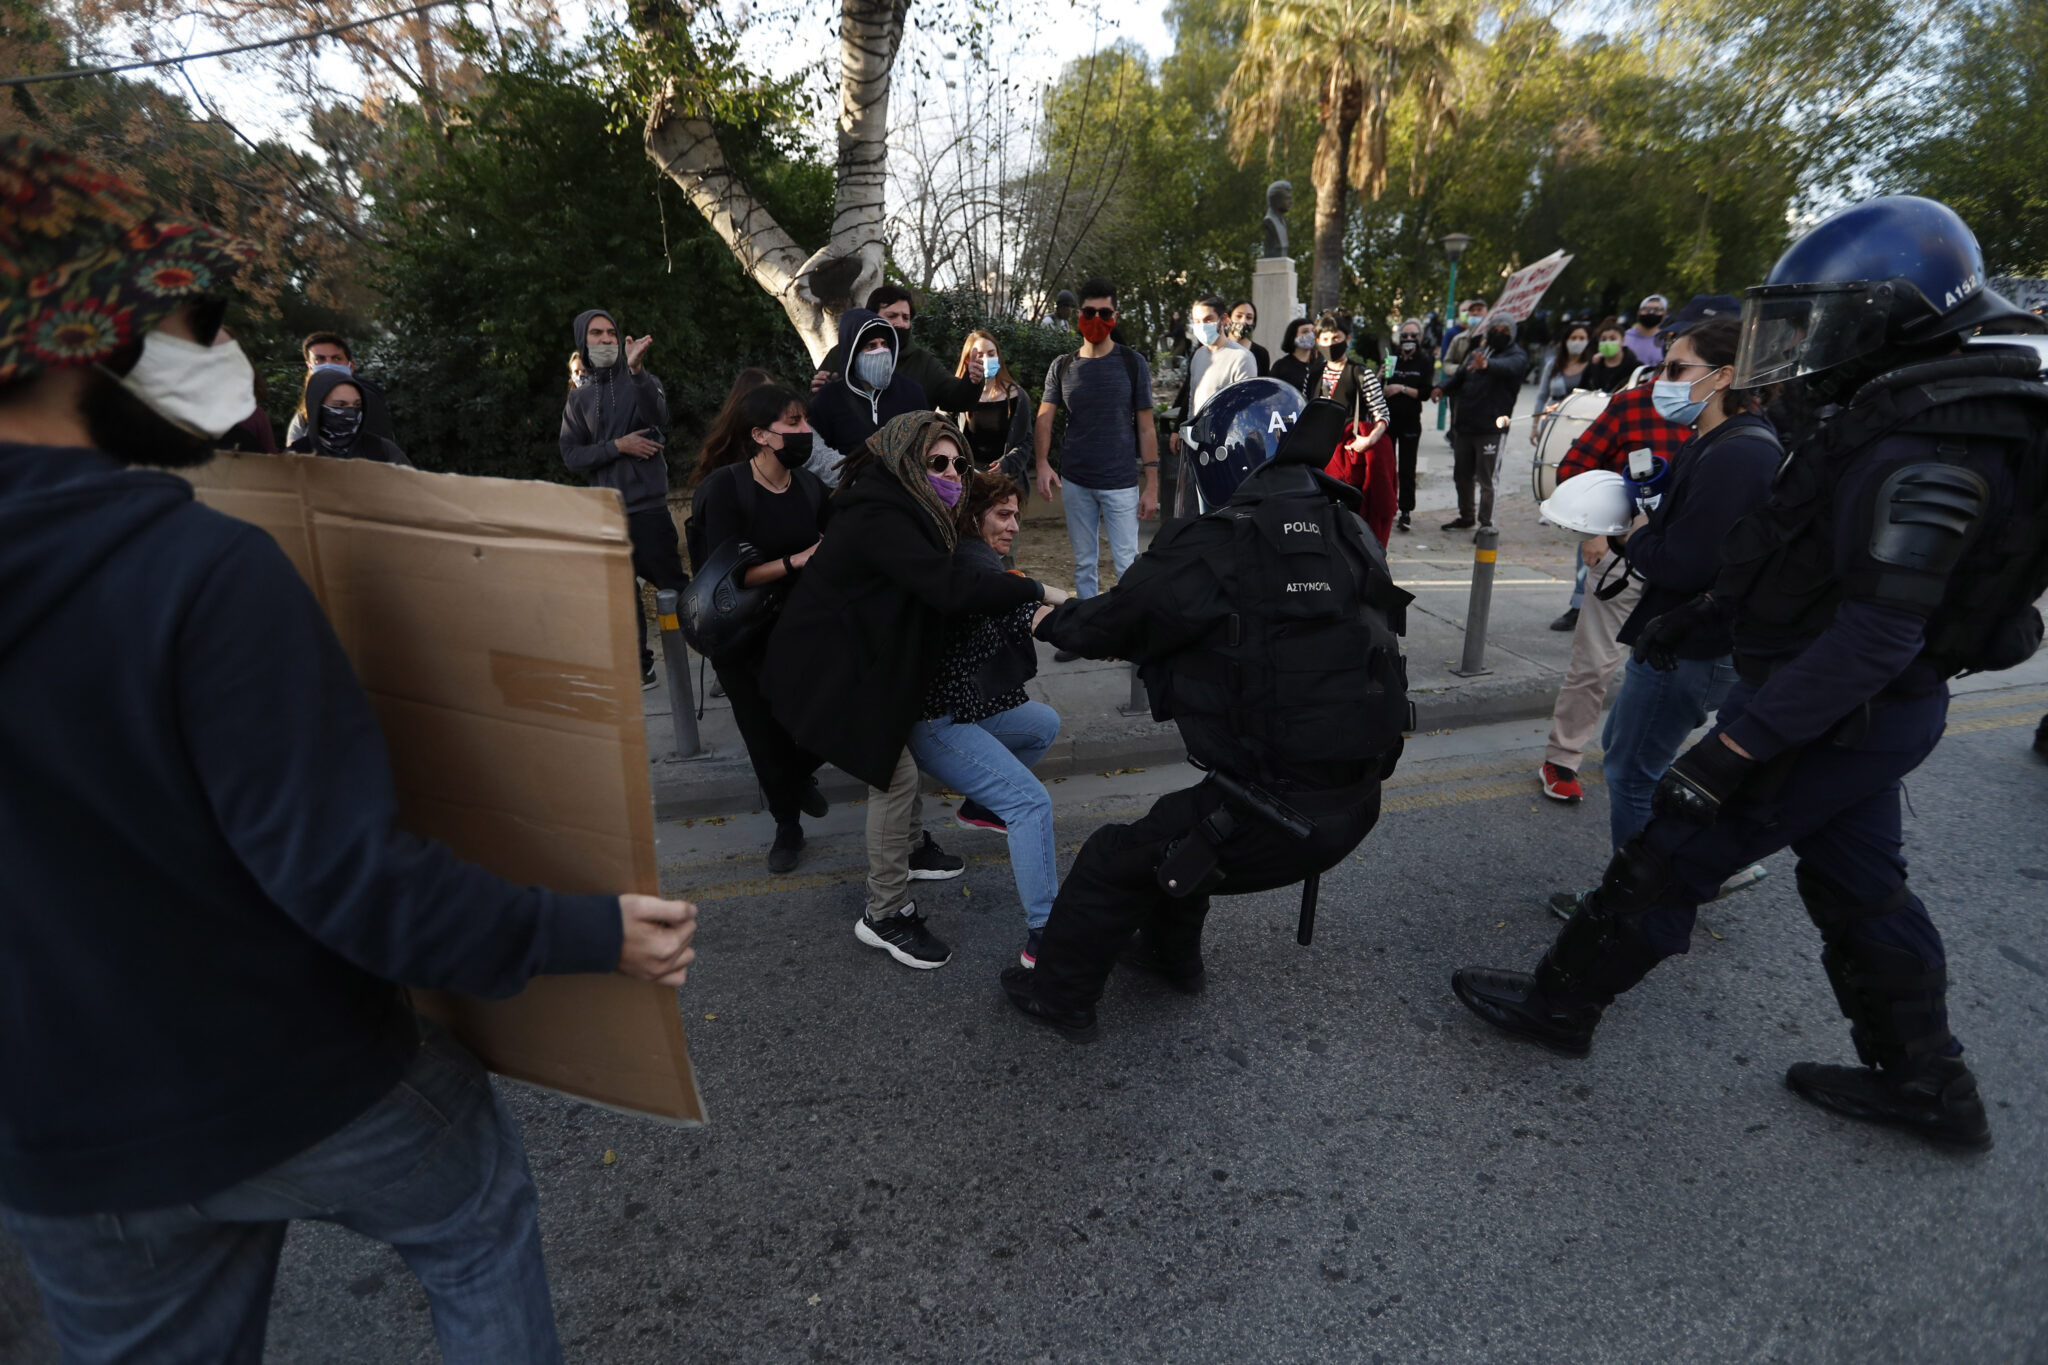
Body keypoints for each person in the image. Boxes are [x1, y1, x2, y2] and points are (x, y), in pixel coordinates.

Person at [0, 133, 698, 1363]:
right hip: (293, 1078)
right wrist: (588, 931)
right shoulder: (196, 571)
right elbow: (350, 887)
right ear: (81, 340)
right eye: (167, 328)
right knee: (475, 1223)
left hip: (60, 1150)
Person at [1455, 194, 2048, 1152]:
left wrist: (1736, 746)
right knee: (1862, 890)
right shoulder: (1920, 411)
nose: (1808, 343)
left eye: (1829, 318)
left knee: (1674, 854)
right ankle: (1930, 1087)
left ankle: (1559, 1006)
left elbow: (1878, 632)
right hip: (1856, 711)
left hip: (1837, 710)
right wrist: (1708, 615)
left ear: (1890, 314)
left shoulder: (1936, 441)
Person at [1001, 398, 1412, 1042]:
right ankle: (1173, 960)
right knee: (1186, 824)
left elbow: (1119, 619)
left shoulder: (1219, 544)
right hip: (1355, 801)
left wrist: (1048, 618)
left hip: (1280, 816)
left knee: (1113, 856)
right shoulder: (1349, 529)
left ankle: (1059, 997)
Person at [768, 412, 1058, 969]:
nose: (951, 474)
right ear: (907, 461)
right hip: (834, 670)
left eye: (959, 465)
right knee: (895, 776)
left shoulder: (915, 512)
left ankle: (919, 844)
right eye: (938, 463)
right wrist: (1040, 592)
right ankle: (885, 913)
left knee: (1019, 728)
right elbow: (948, 588)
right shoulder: (884, 513)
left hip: (872, 665)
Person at [1544, 316, 1781, 915]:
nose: (1663, 382)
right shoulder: (1724, 442)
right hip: (1683, 633)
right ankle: (1683, 871)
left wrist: (1635, 535)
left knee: (1630, 770)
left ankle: (1636, 900)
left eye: (1678, 370)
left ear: (1724, 376)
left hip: (1688, 641)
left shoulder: (1739, 454)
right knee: (1641, 754)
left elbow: (1683, 562)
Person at [1536, 315, 1697, 803]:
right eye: (1668, 361)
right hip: (1622, 563)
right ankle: (1562, 758)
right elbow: (1574, 469)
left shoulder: (1740, 427)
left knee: (1677, 676)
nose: (1669, 373)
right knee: (1594, 667)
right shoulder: (1632, 406)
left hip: (1690, 573)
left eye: (1681, 365)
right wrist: (1594, 534)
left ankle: (1643, 756)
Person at [907, 471, 1063, 967]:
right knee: (1031, 805)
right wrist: (1079, 615)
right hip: (937, 725)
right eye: (1003, 514)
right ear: (974, 519)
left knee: (1041, 723)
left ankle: (979, 808)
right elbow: (1020, 606)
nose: (1014, 524)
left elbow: (1015, 603)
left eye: (1017, 514)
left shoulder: (982, 564)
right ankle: (1047, 932)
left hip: (963, 713)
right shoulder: (972, 564)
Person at [690, 382, 833, 873]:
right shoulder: (725, 489)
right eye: (792, 424)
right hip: (741, 634)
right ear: (760, 435)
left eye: (805, 421)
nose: (804, 431)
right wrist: (797, 560)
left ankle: (795, 777)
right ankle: (787, 828)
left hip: (799, 629)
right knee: (763, 732)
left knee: (826, 713)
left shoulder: (811, 488)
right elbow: (729, 575)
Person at [559, 307, 684, 687]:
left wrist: (637, 372)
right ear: (584, 340)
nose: (606, 339)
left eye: (611, 332)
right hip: (608, 515)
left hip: (648, 509)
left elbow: (658, 413)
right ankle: (639, 668)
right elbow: (571, 456)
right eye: (596, 333)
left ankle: (717, 658)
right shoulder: (578, 400)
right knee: (622, 600)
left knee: (676, 591)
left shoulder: (641, 380)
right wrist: (619, 445)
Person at [1034, 278, 1159, 648]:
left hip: (1120, 481)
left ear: (1114, 316)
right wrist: (1042, 463)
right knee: (1084, 564)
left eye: (1104, 313)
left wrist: (1152, 485)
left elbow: (1147, 428)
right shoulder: (1063, 366)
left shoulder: (1132, 363)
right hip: (1076, 480)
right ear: (1079, 316)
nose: (1096, 319)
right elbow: (1044, 418)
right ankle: (1087, 636)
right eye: (1090, 312)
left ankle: (1131, 635)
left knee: (1127, 564)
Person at [814, 284, 979, 413]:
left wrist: (972, 381)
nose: (899, 323)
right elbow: (817, 409)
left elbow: (956, 398)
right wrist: (822, 392)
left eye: (905, 318)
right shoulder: (842, 354)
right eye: (891, 316)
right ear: (872, 317)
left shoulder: (923, 363)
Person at [1309, 310, 1397, 545]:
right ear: (1318, 341)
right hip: (1319, 456)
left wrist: (1367, 441)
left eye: (1336, 338)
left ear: (1348, 338)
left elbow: (1382, 414)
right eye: (1325, 339)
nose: (1330, 344)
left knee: (1351, 517)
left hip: (1348, 456)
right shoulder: (1314, 373)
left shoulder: (1360, 373)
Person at [811, 306, 930, 472]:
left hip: (904, 493)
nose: (881, 351)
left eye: (884, 344)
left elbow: (926, 447)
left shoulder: (912, 392)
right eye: (871, 346)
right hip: (852, 492)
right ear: (853, 352)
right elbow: (818, 454)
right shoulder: (829, 398)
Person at [1438, 316, 1528, 533]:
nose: (1498, 333)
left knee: (1487, 480)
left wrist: (1488, 365)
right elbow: (1459, 377)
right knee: (1462, 475)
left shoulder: (1517, 355)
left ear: (1512, 333)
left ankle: (1486, 524)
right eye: (1494, 329)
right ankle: (1466, 516)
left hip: (1491, 430)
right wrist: (1441, 388)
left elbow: (1509, 367)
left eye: (1504, 329)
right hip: (1465, 426)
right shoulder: (1477, 353)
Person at [286, 367, 412, 466]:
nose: (351, 413)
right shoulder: (295, 457)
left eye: (357, 405)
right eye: (340, 405)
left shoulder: (381, 450)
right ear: (317, 408)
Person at [954, 330, 1033, 487]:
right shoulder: (955, 394)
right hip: (968, 483)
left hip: (1006, 485)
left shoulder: (1016, 395)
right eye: (980, 355)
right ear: (968, 359)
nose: (986, 360)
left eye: (991, 354)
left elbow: (1025, 441)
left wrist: (1006, 464)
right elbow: (941, 432)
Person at [1382, 318, 1433, 532]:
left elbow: (1425, 393)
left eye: (1413, 336)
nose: (1409, 339)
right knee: (1387, 465)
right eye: (1405, 336)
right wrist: (1381, 374)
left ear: (1420, 338)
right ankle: (1387, 506)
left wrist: (1400, 388)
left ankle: (1405, 511)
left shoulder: (1424, 361)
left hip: (1411, 421)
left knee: (1407, 467)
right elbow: (1380, 386)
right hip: (1389, 420)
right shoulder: (1392, 359)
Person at [1531, 320, 1594, 445]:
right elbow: (1542, 396)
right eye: (1574, 337)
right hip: (1552, 420)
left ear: (1588, 341)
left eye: (1582, 338)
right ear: (1566, 341)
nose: (1577, 341)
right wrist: (1534, 426)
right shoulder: (1553, 366)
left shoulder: (1592, 366)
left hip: (1579, 422)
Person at [1577, 320, 1635, 394]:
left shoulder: (1634, 367)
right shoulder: (1592, 367)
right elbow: (1581, 390)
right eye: (1603, 339)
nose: (1607, 342)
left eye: (1612, 339)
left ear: (1623, 341)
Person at [1270, 316, 1317, 392]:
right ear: (1293, 336)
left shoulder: (1320, 364)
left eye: (1313, 331)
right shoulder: (1281, 366)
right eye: (1305, 332)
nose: (1310, 335)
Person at [1623, 295, 1669, 369]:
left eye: (1657, 310)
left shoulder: (1666, 341)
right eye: (1647, 309)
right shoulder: (1624, 336)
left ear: (1663, 315)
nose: (1651, 312)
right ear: (1639, 312)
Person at [1227, 299, 1271, 376]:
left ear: (1254, 323)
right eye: (1239, 316)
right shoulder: (1217, 349)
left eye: (1249, 317)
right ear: (1228, 319)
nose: (1243, 321)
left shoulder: (1261, 353)